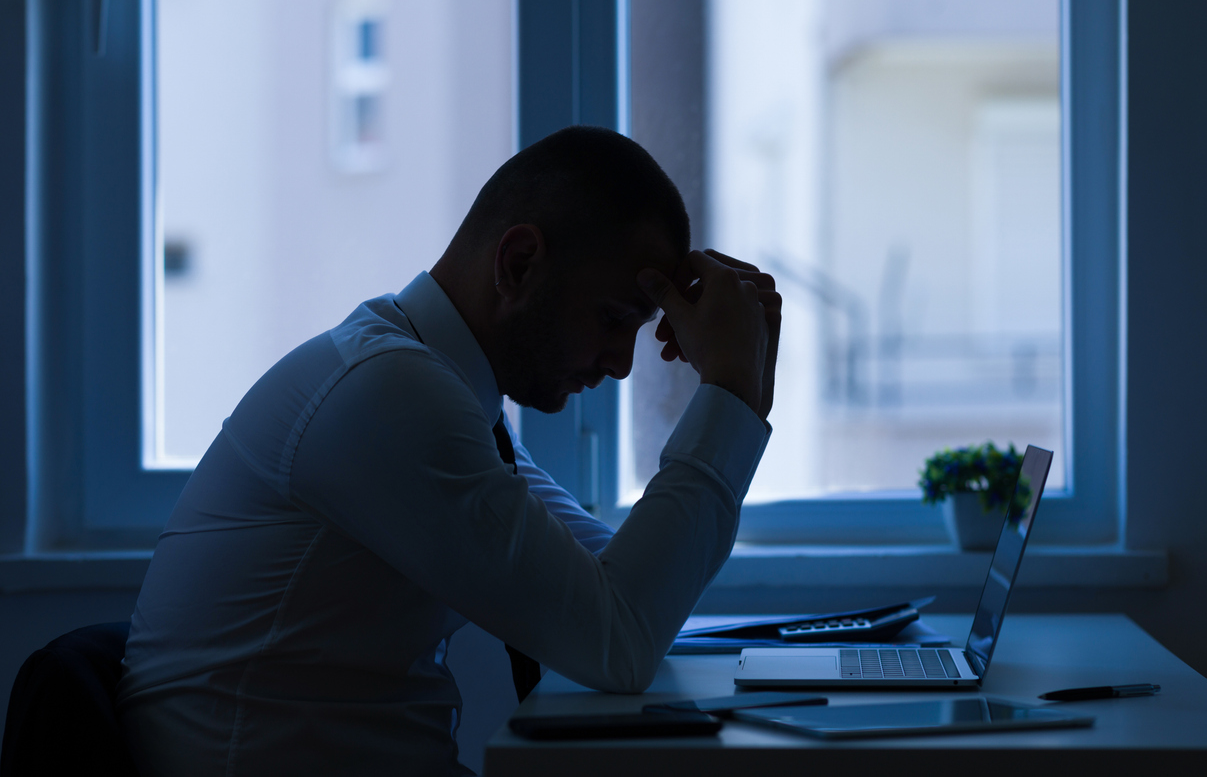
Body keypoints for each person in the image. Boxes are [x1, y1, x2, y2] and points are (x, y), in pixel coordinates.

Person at [117, 126, 782, 776]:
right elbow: (621, 639)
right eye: (612, 319)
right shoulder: (385, 395)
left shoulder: (435, 390)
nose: (621, 365)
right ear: (518, 264)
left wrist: (744, 394)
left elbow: (621, 590)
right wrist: (729, 391)